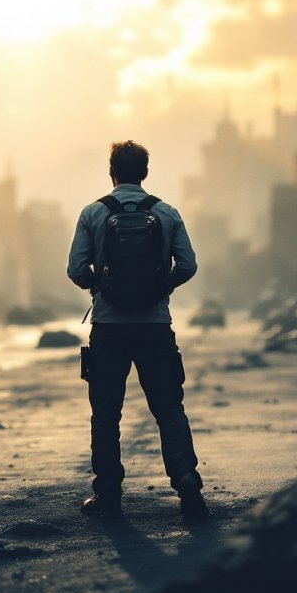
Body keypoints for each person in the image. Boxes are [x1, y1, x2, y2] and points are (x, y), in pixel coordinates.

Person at [66, 140, 208, 520]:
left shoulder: (92, 213)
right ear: (145, 172)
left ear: (111, 171)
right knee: (168, 408)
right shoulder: (166, 212)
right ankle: (187, 481)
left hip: (109, 329)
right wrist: (162, 287)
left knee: (106, 413)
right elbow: (189, 264)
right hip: (156, 326)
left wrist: (101, 287)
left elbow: (76, 270)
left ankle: (108, 495)